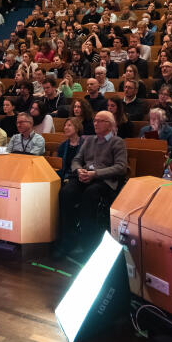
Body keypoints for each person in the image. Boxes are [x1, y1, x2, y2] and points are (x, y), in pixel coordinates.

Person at [55, 110, 128, 257]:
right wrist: (79, 170)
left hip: (104, 180)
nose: (95, 123)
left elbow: (121, 167)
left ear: (110, 125)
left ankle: (87, 244)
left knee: (90, 195)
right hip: (85, 176)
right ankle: (68, 240)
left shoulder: (117, 142)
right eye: (95, 120)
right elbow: (77, 160)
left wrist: (95, 174)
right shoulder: (89, 140)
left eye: (100, 121)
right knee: (66, 192)